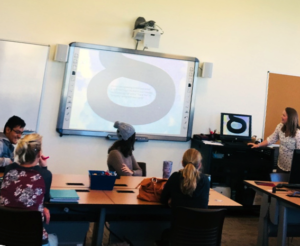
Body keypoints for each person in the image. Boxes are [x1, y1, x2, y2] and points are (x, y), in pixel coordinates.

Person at [0, 133, 53, 246]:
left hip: (5, 237)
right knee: (53, 239)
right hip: (34, 239)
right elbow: (45, 199)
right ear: (39, 153)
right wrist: (44, 167)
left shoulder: (9, 169)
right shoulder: (45, 174)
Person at [248, 107, 300, 172]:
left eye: (284, 115)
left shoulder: (298, 133)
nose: (281, 116)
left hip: (293, 169)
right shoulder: (280, 126)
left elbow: (298, 154)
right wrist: (258, 145)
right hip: (280, 166)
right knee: (278, 182)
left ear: (290, 118)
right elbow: (271, 139)